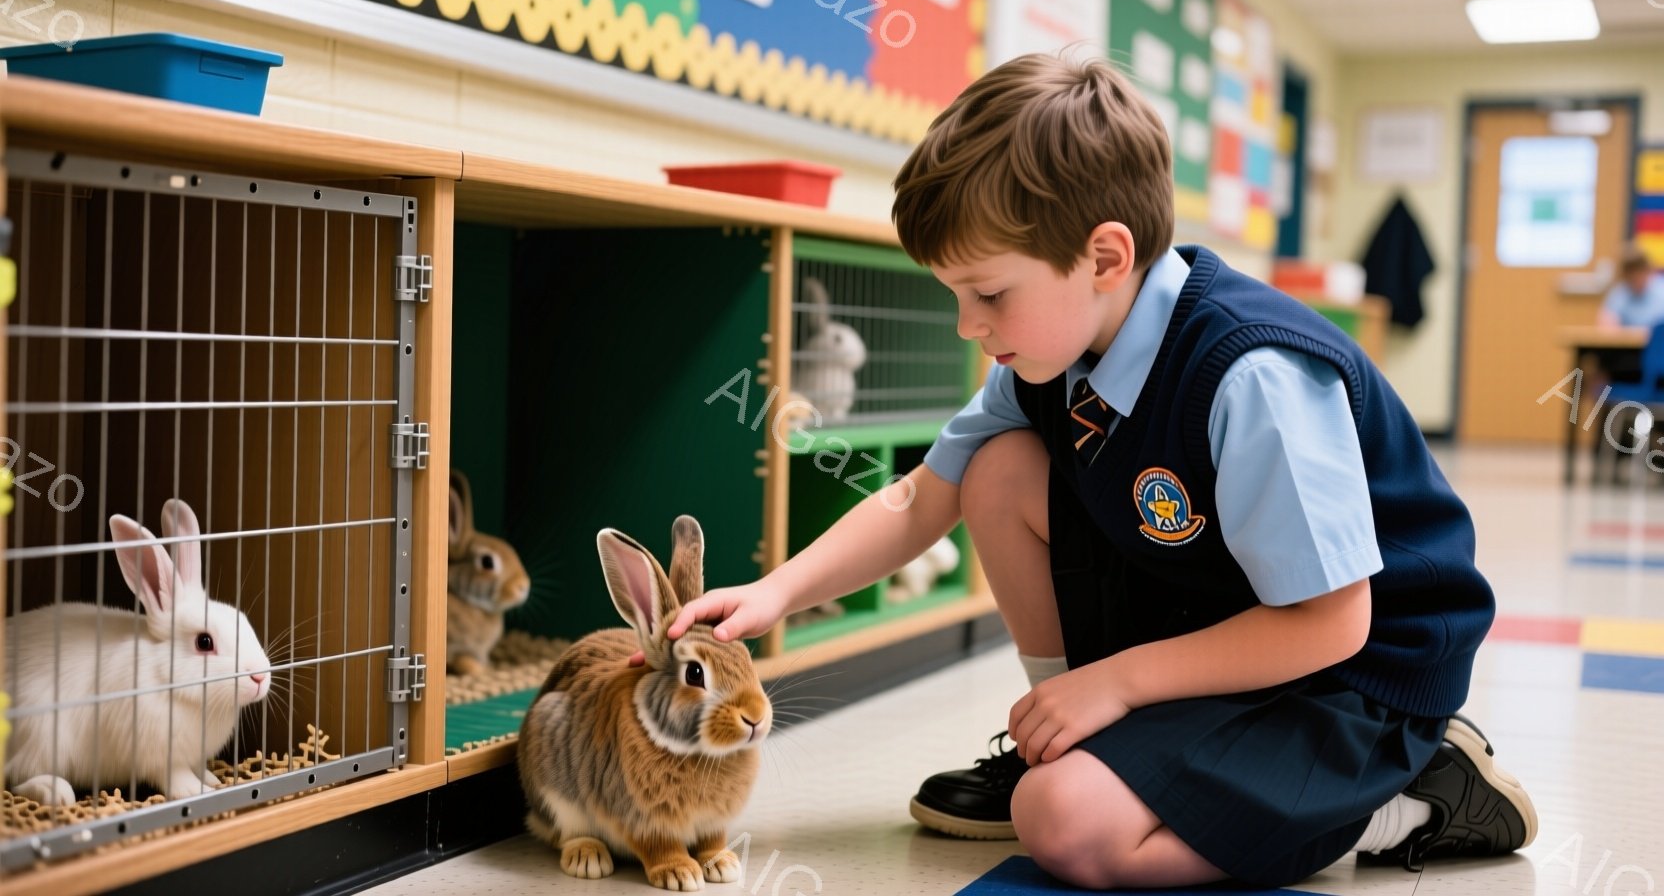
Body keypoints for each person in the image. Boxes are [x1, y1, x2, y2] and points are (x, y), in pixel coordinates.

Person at [657, 53, 1536, 890]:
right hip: (1230, 621)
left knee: (1065, 826)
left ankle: (1410, 797)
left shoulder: (1252, 376)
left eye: (989, 294)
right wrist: (776, 593)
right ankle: (1065, 737)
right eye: (954, 296)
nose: (969, 325)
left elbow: (1332, 624)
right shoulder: (1051, 356)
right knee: (994, 469)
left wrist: (1116, 682)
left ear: (1107, 258)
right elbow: (922, 496)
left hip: (1357, 675)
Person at [1597, 244, 1664, 329]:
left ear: (1648, 271)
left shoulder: (1661, 289)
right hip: (1628, 342)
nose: (1637, 278)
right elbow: (1606, 325)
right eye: (1632, 275)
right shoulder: (1619, 293)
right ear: (1625, 276)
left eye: (1640, 272)